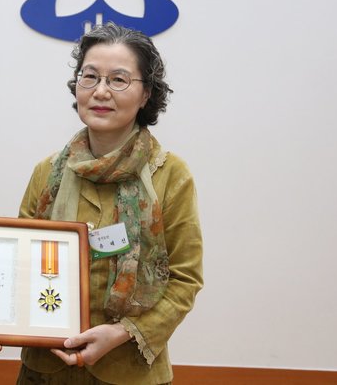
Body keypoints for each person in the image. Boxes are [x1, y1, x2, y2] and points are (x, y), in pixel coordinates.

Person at [17, 23, 203, 385]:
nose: (100, 91)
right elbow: (21, 266)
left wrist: (122, 332)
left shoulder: (171, 174)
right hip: (45, 367)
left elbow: (185, 280)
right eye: (90, 77)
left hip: (130, 370)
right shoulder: (47, 173)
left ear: (146, 93)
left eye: (118, 80)